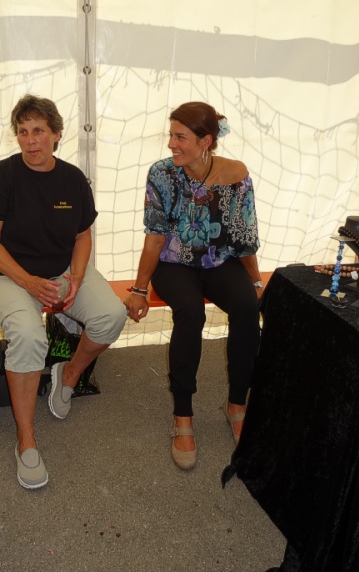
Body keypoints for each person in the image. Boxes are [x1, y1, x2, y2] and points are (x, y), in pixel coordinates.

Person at [0, 94, 127, 489]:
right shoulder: (0, 177)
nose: (30, 140)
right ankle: (26, 439)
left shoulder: (73, 180)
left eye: (38, 131)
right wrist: (29, 284)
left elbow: (83, 235)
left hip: (58, 271)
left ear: (57, 134)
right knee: (28, 335)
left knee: (112, 316)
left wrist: (76, 278)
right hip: (1, 276)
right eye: (23, 132)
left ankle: (68, 374)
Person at [125, 101, 263, 470]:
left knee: (247, 307)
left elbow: (244, 235)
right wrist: (139, 289)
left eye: (180, 137)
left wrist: (255, 279)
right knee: (190, 311)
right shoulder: (162, 174)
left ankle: (237, 403)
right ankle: (183, 416)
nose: (171, 144)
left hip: (219, 260)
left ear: (206, 141)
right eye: (171, 135)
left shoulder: (236, 174)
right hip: (173, 262)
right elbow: (155, 236)